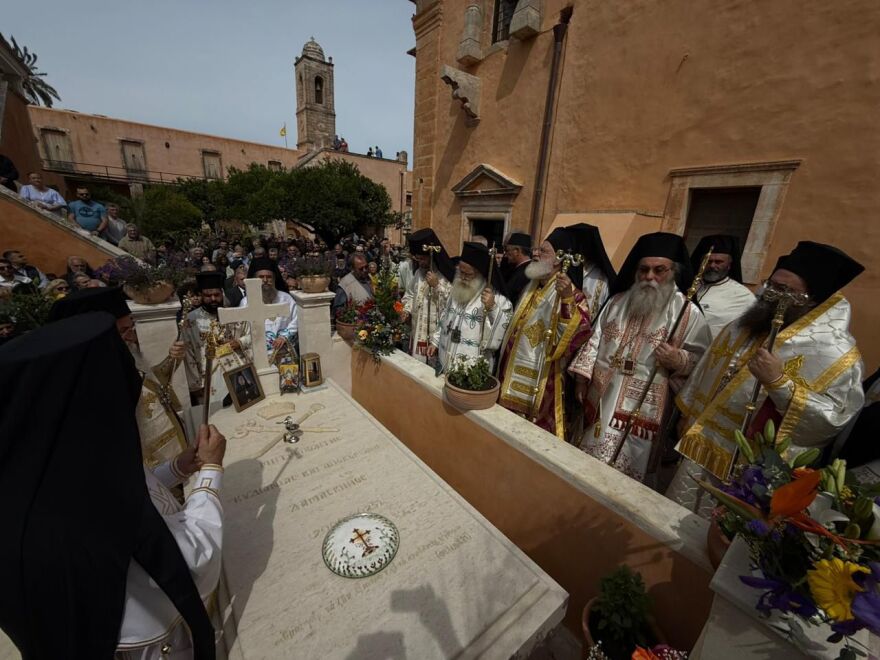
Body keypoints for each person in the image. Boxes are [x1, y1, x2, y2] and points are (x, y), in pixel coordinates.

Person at [0, 313, 218, 659]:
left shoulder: (42, 463)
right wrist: (211, 471)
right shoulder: (87, 487)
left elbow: (131, 490)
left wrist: (177, 468)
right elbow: (194, 562)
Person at [668, 241, 866, 515]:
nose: (770, 295)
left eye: (784, 291)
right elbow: (708, 368)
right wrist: (688, 414)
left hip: (753, 466)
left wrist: (779, 384)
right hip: (705, 443)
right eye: (770, 285)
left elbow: (832, 420)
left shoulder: (836, 355)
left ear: (812, 299)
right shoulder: (745, 324)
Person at [569, 232, 711, 484]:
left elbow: (704, 362)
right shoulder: (617, 301)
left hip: (645, 405)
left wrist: (679, 360)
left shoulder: (687, 312)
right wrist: (581, 379)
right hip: (602, 395)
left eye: (659, 270)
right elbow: (595, 339)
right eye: (644, 269)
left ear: (674, 271)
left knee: (630, 471)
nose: (649, 276)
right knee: (588, 460)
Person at [496, 226, 593, 440]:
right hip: (510, 373)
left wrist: (566, 300)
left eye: (543, 250)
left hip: (542, 381)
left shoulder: (573, 296)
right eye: (537, 249)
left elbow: (575, 338)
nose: (535, 253)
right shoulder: (532, 285)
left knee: (531, 438)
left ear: (559, 260)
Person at [428, 242, 513, 372]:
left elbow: (505, 325)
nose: (462, 277)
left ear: (481, 274)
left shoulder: (495, 297)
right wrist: (435, 341)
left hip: (472, 365)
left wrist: (492, 307)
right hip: (445, 357)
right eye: (461, 272)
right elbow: (445, 316)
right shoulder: (457, 287)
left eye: (468, 274)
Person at [183, 270, 252, 405]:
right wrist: (195, 385)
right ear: (201, 295)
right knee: (217, 411)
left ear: (222, 293)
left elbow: (251, 335)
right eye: (208, 295)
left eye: (216, 294)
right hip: (209, 377)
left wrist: (239, 342)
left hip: (237, 370)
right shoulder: (191, 320)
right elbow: (188, 353)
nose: (213, 299)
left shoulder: (234, 314)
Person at [402, 228, 455, 363]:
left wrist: (437, 286)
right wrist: (407, 310)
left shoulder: (445, 276)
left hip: (436, 334)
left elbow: (451, 304)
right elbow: (410, 295)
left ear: (432, 256)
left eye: (422, 258)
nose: (420, 262)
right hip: (418, 330)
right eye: (417, 259)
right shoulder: (419, 273)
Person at [690, 234, 755, 339]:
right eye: (708, 261)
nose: (712, 265)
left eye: (718, 262)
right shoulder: (689, 284)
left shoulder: (744, 296)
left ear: (729, 265)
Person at [242, 256, 298, 354]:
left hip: (283, 352)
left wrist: (284, 336)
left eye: (269, 277)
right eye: (261, 277)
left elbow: (296, 320)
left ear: (274, 278)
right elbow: (242, 329)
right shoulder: (246, 302)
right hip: (257, 353)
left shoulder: (286, 299)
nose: (265, 280)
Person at [332, 253, 374, 318]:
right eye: (361, 269)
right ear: (352, 268)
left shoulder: (369, 278)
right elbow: (338, 310)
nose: (365, 270)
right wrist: (354, 313)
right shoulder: (345, 284)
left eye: (366, 267)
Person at [501, 232, 533, 306]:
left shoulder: (525, 273)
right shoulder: (522, 269)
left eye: (507, 250)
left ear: (517, 251)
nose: (506, 255)